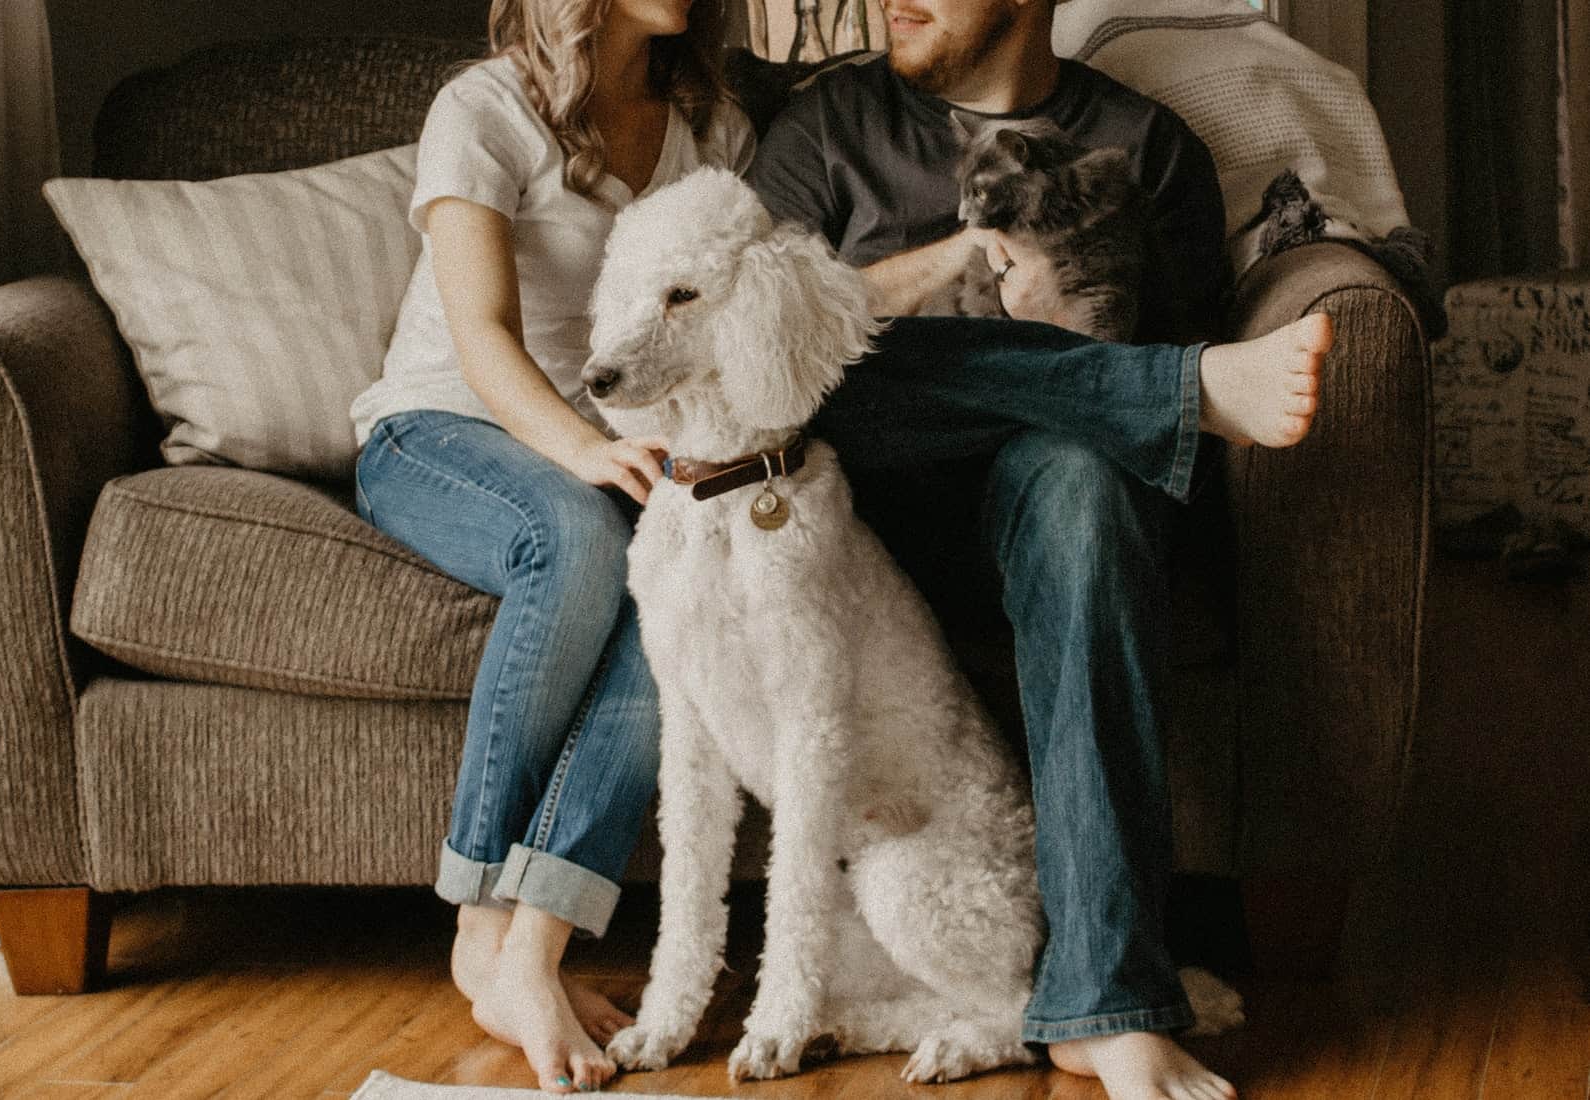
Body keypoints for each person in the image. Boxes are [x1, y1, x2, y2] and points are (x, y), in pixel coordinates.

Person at [743, 0, 1333, 1096]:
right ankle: (1176, 393)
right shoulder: (827, 128)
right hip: (867, 507)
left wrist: (1073, 346)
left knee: (1086, 477)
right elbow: (763, 347)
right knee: (818, 354)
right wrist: (958, 261)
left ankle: (1102, 1003)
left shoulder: (1144, 149)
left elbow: (1146, 453)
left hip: (1049, 501)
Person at [346, 0, 755, 1090]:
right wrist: (579, 445)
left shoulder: (710, 125)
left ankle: (532, 946)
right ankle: (481, 929)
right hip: (441, 428)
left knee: (685, 588)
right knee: (577, 540)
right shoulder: (481, 110)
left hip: (616, 443)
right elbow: (479, 329)